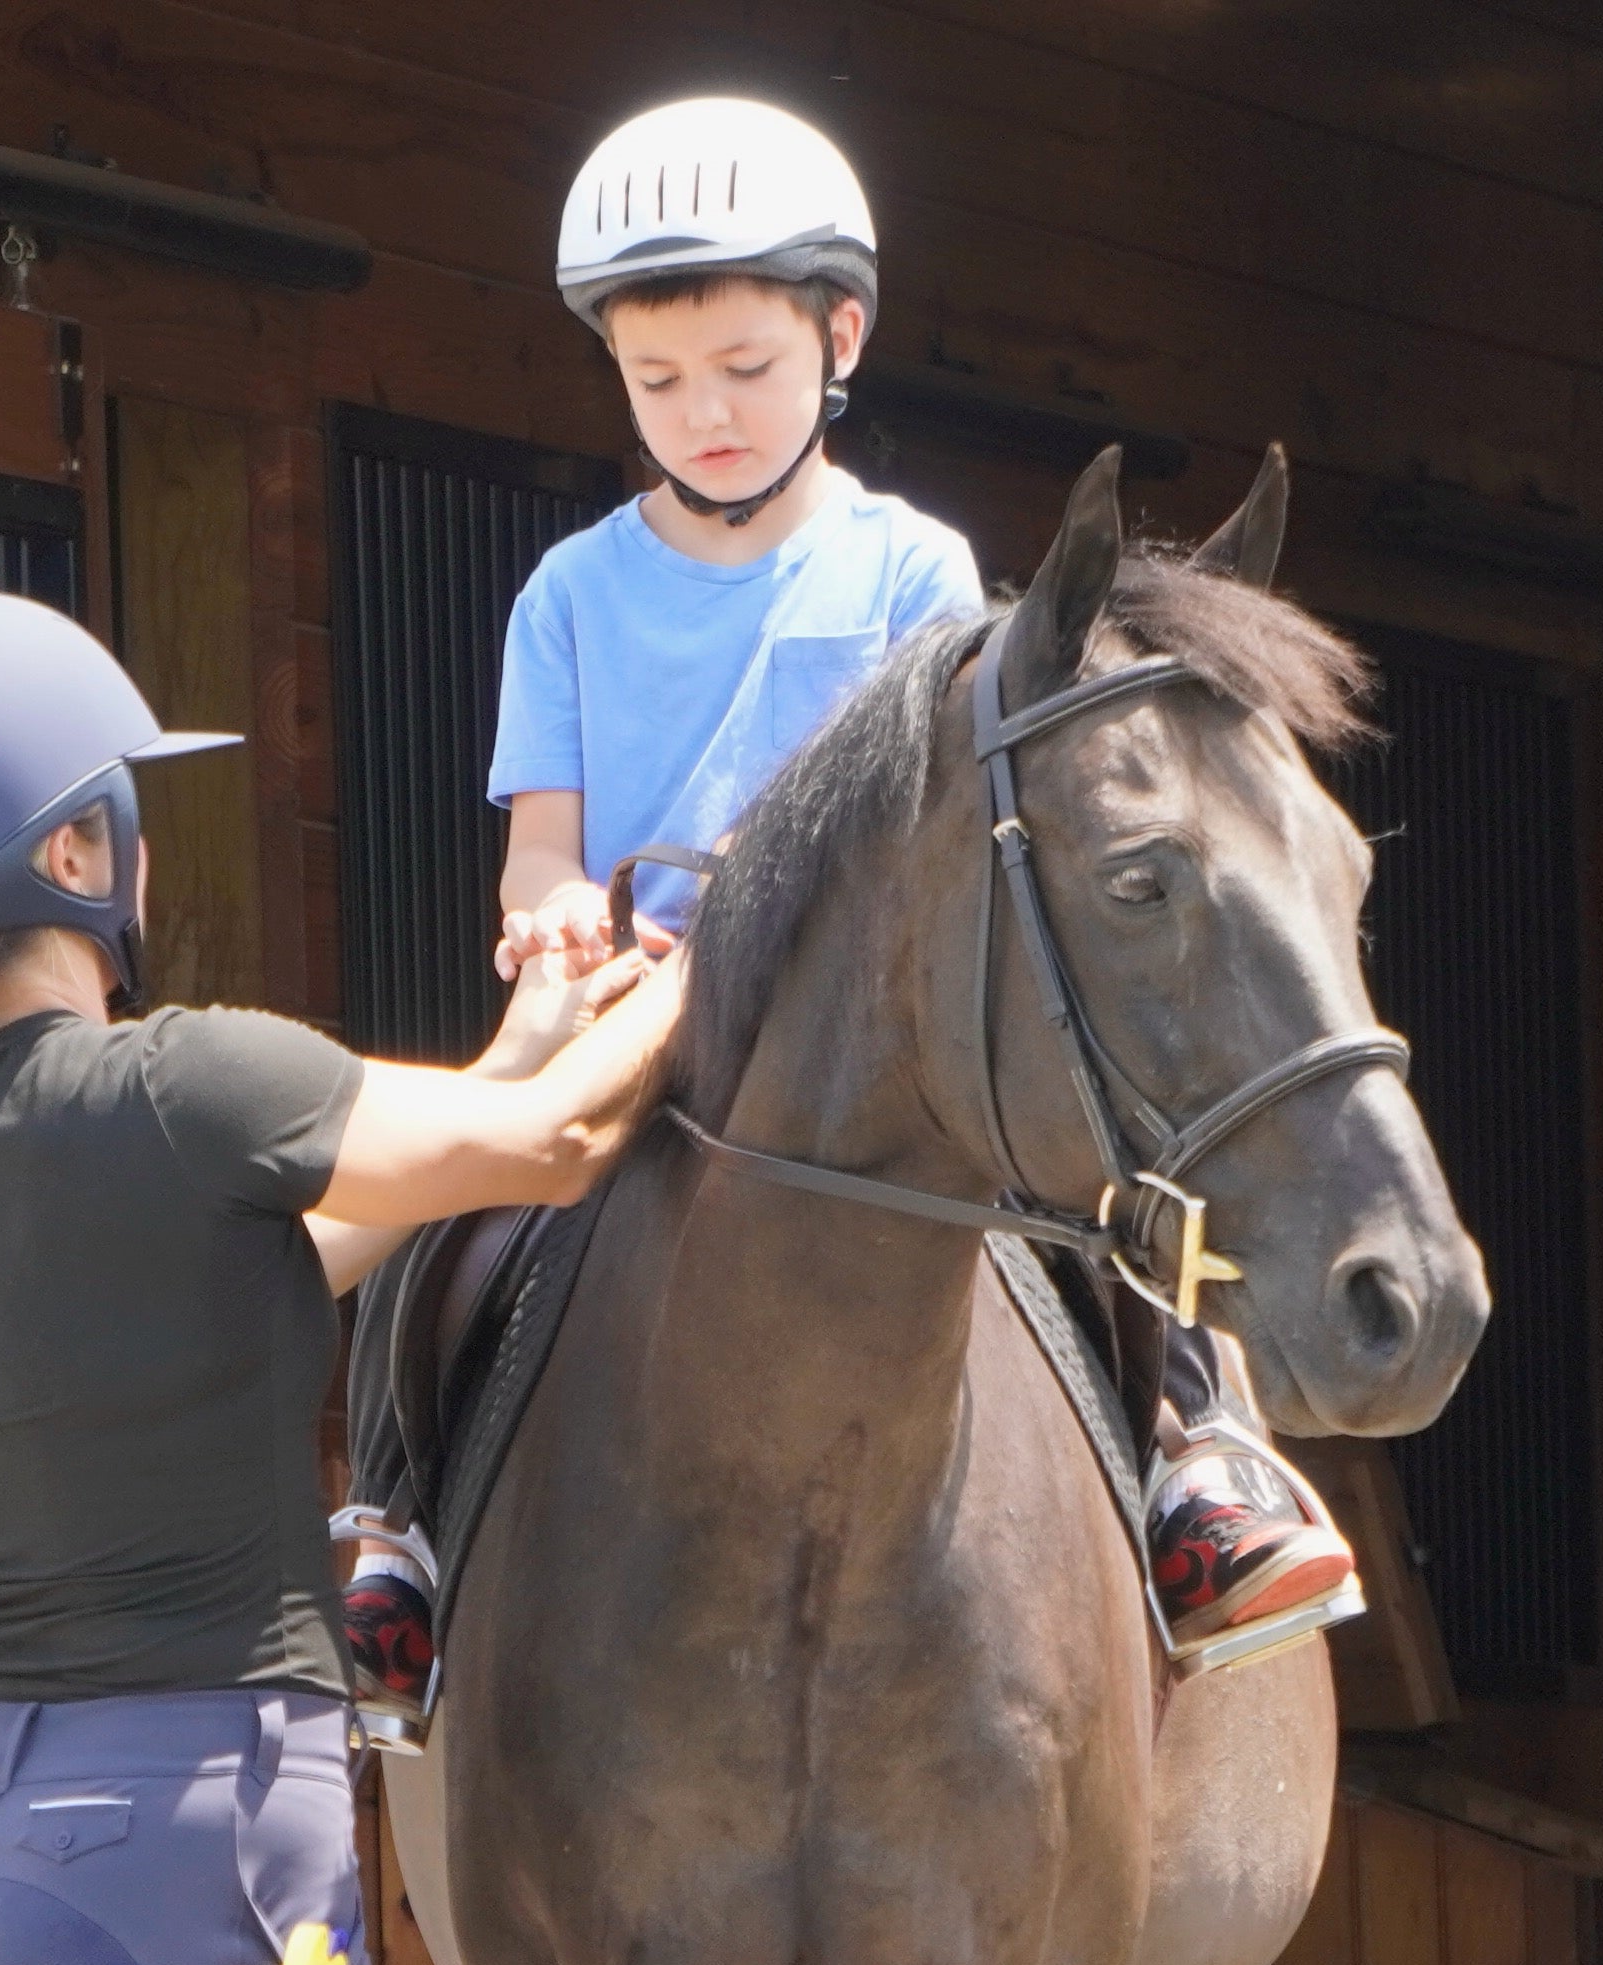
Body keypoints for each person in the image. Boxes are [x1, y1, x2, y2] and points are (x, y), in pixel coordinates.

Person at [341, 97, 1357, 1735]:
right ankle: (393, 1526)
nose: (703, 414)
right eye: (656, 379)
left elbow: (921, 831)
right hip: (629, 1010)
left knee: (1073, 1181)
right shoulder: (567, 593)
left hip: (854, 1019)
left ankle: (1193, 1462)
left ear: (840, 338)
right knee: (451, 1213)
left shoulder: (911, 567)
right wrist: (551, 921)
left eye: (743, 367)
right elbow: (539, 852)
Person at [0, 591, 684, 1965]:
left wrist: (518, 1053)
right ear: (76, 849)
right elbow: (559, 1145)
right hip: (192, 1830)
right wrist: (718, 959)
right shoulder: (184, 1082)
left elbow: (245, 1278)